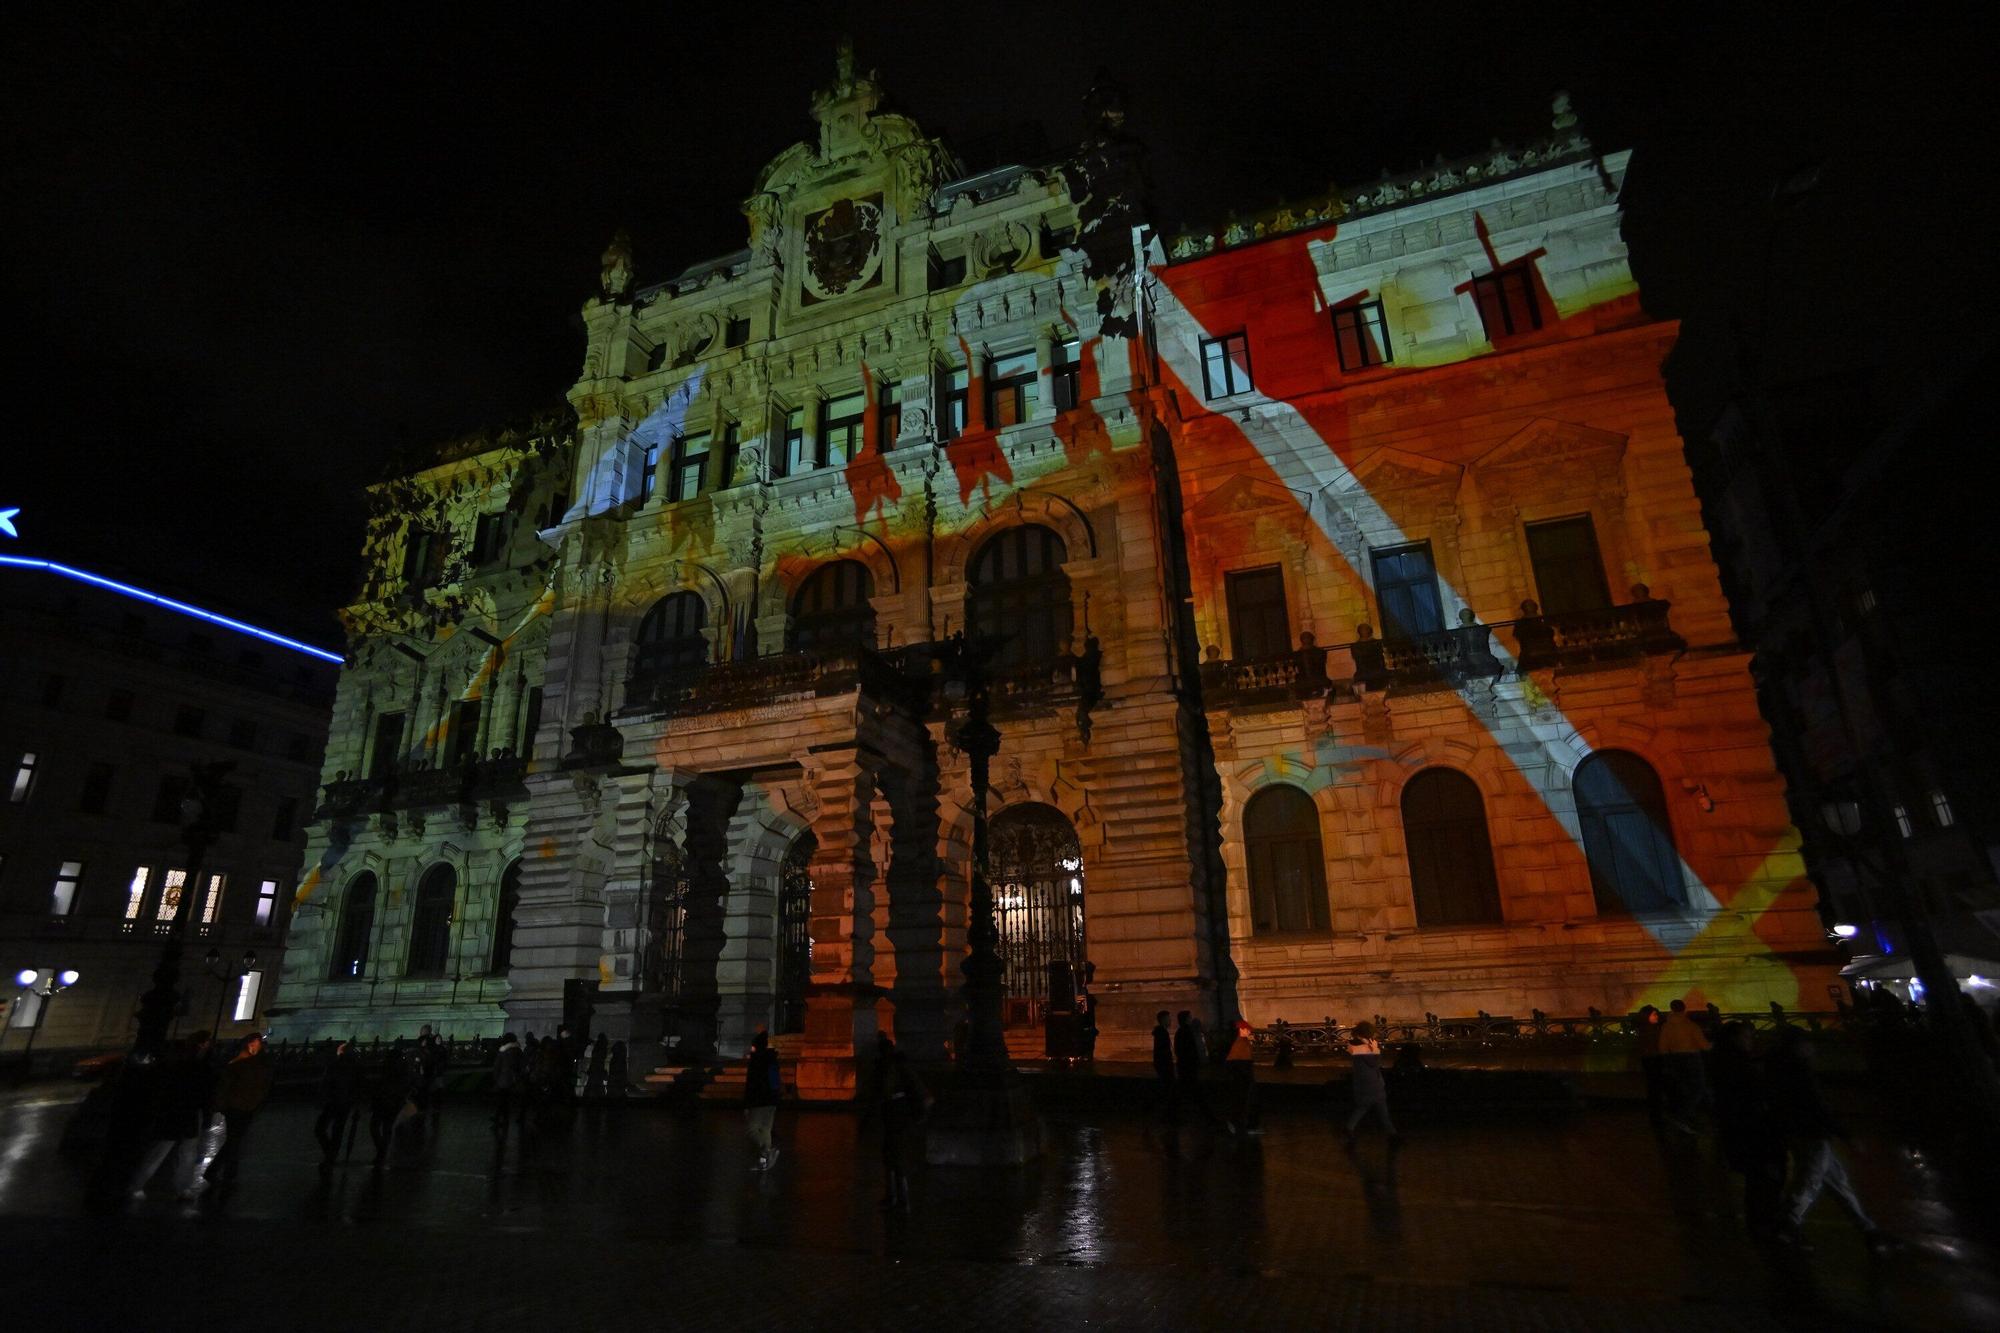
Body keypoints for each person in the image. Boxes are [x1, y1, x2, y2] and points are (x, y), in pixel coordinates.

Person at [1769, 1027, 1886, 1250]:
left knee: (1835, 1182)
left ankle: (1869, 1230)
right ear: (1798, 1047)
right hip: (1812, 1135)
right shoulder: (1801, 1074)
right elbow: (1819, 1109)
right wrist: (1846, 1136)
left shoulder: (1780, 1071)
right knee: (1812, 1181)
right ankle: (1788, 1227)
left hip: (1799, 1133)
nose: (1812, 1048)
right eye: (1807, 1044)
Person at [1709, 1021, 1785, 1238]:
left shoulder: (1724, 1062)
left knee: (1757, 1180)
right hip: (1752, 1131)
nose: (1750, 1041)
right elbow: (1753, 1095)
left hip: (1741, 1131)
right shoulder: (1739, 1066)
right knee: (1764, 1179)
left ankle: (1760, 1222)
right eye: (1747, 1037)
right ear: (1735, 1039)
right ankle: (1765, 1223)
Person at [127, 1037, 214, 1201]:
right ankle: (181, 1188)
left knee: (161, 1152)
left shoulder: (168, 1069)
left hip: (174, 1115)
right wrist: (206, 1114)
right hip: (186, 1115)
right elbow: (204, 1094)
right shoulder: (196, 1068)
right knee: (183, 1154)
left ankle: (137, 1185)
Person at [208, 1033, 274, 1187]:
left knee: (233, 1141)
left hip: (241, 1106)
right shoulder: (248, 1064)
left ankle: (219, 1172)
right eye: (254, 1043)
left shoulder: (243, 1064)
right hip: (241, 1107)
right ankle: (225, 1174)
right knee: (234, 1141)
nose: (256, 1046)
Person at [871, 1031, 928, 1209]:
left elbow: (878, 1092)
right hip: (900, 1114)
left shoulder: (886, 1067)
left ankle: (897, 1197)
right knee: (895, 1156)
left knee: (893, 1157)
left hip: (894, 1114)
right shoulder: (899, 1067)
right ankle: (900, 1197)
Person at [1656, 999, 1710, 1132]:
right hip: (1692, 1058)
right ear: (1684, 1008)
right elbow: (1704, 1045)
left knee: (1683, 1088)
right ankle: (1684, 1115)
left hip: (1675, 1058)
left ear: (1671, 1009)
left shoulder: (1666, 1026)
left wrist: (1667, 1060)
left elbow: (1662, 1046)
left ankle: (1683, 1115)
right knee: (1698, 1088)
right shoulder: (1690, 1025)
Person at [1344, 1021, 1399, 1147]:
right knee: (1382, 1110)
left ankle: (1349, 1128)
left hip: (1360, 1082)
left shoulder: (1352, 1044)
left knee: (1363, 1107)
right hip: (1372, 1082)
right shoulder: (1365, 1046)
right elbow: (1374, 1063)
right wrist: (1375, 1049)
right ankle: (1393, 1136)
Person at [314, 1040, 364, 1165]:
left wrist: (322, 1099)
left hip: (333, 1102)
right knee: (337, 1130)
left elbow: (326, 1083)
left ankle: (330, 1153)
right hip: (344, 1103)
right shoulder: (354, 1069)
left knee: (322, 1129)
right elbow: (358, 1087)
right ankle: (332, 1154)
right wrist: (357, 1105)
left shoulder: (335, 1066)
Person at [369, 1039, 416, 1165]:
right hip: (393, 1101)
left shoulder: (388, 1067)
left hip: (384, 1099)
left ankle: (381, 1151)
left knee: (376, 1126)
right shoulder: (403, 1068)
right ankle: (382, 1151)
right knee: (387, 1127)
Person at [1174, 1011, 1221, 1129]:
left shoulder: (1180, 1032)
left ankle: (1191, 1113)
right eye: (1190, 1017)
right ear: (1187, 1019)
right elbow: (1193, 1049)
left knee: (1189, 1090)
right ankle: (1205, 1115)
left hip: (1185, 1065)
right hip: (1189, 1066)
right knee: (1194, 1090)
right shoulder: (1188, 1032)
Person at [743, 1029, 782, 1171]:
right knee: (766, 1129)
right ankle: (764, 1161)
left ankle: (766, 1151)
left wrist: (747, 1104)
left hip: (758, 1100)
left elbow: (751, 1084)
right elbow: (775, 1081)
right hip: (771, 1100)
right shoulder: (772, 1059)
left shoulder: (756, 1061)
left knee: (752, 1129)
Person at [1224, 1018, 1260, 1135]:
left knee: (1241, 1102)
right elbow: (1242, 1063)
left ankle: (1241, 1125)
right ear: (1241, 1030)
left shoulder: (1240, 1042)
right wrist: (1249, 1079)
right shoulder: (1241, 1044)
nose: (1249, 1032)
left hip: (1241, 1078)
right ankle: (1245, 1126)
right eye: (1246, 1029)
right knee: (1245, 1102)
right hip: (1243, 1078)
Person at [1634, 1005, 1666, 1129]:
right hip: (1653, 1058)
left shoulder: (1643, 1029)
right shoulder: (1652, 1030)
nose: (1657, 1016)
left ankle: (1656, 1111)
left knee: (1653, 1085)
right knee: (1656, 1085)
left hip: (1649, 1058)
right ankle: (1658, 1111)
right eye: (1654, 1014)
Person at [491, 1033, 525, 1138]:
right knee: (509, 1102)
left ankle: (499, 1120)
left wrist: (496, 1080)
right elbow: (522, 1066)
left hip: (503, 1081)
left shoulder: (503, 1051)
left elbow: (497, 1067)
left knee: (501, 1101)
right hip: (515, 1081)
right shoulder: (518, 1051)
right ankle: (507, 1120)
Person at [1151, 1011, 1177, 1123]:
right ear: (1163, 1020)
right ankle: (1168, 1115)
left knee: (1166, 1089)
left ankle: (1166, 1114)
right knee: (1168, 1089)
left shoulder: (1160, 1032)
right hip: (1164, 1065)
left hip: (1162, 1064)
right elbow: (1163, 1051)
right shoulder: (1162, 1033)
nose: (1170, 1021)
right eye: (1168, 1018)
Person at [584, 1033, 609, 1100]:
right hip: (598, 1070)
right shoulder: (603, 1047)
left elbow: (595, 1057)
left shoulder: (598, 1047)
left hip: (595, 1070)